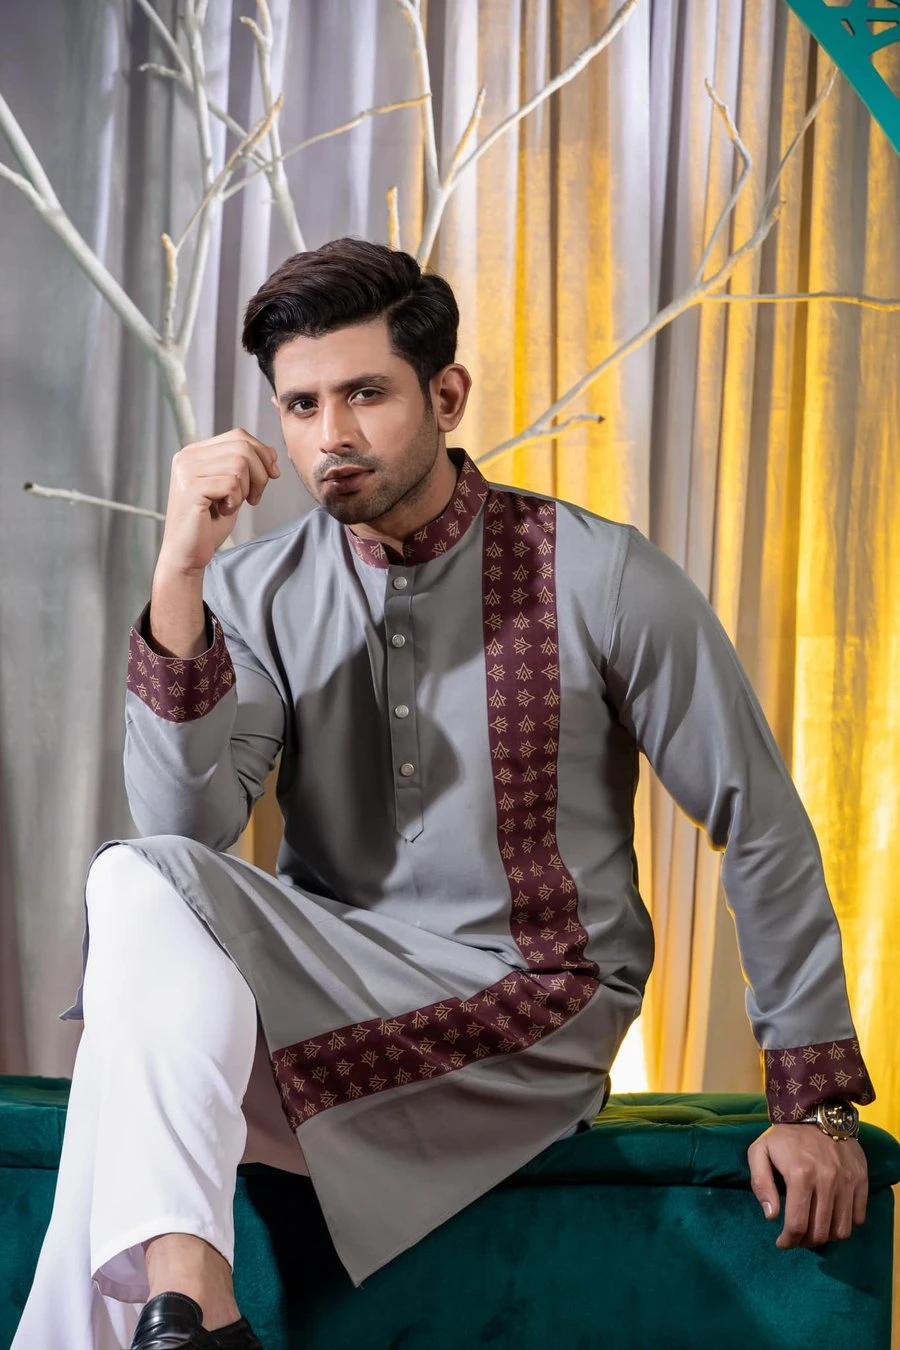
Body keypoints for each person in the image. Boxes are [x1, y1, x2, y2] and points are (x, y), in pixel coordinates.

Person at [13, 238, 874, 1350]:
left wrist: (812, 1099)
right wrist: (180, 574)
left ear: (447, 395)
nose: (332, 435)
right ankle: (195, 1303)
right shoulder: (257, 588)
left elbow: (756, 817)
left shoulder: (601, 573)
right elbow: (187, 832)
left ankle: (190, 1313)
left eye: (365, 394)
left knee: (125, 1056)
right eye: (303, 405)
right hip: (326, 997)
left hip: (532, 1018)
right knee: (137, 882)